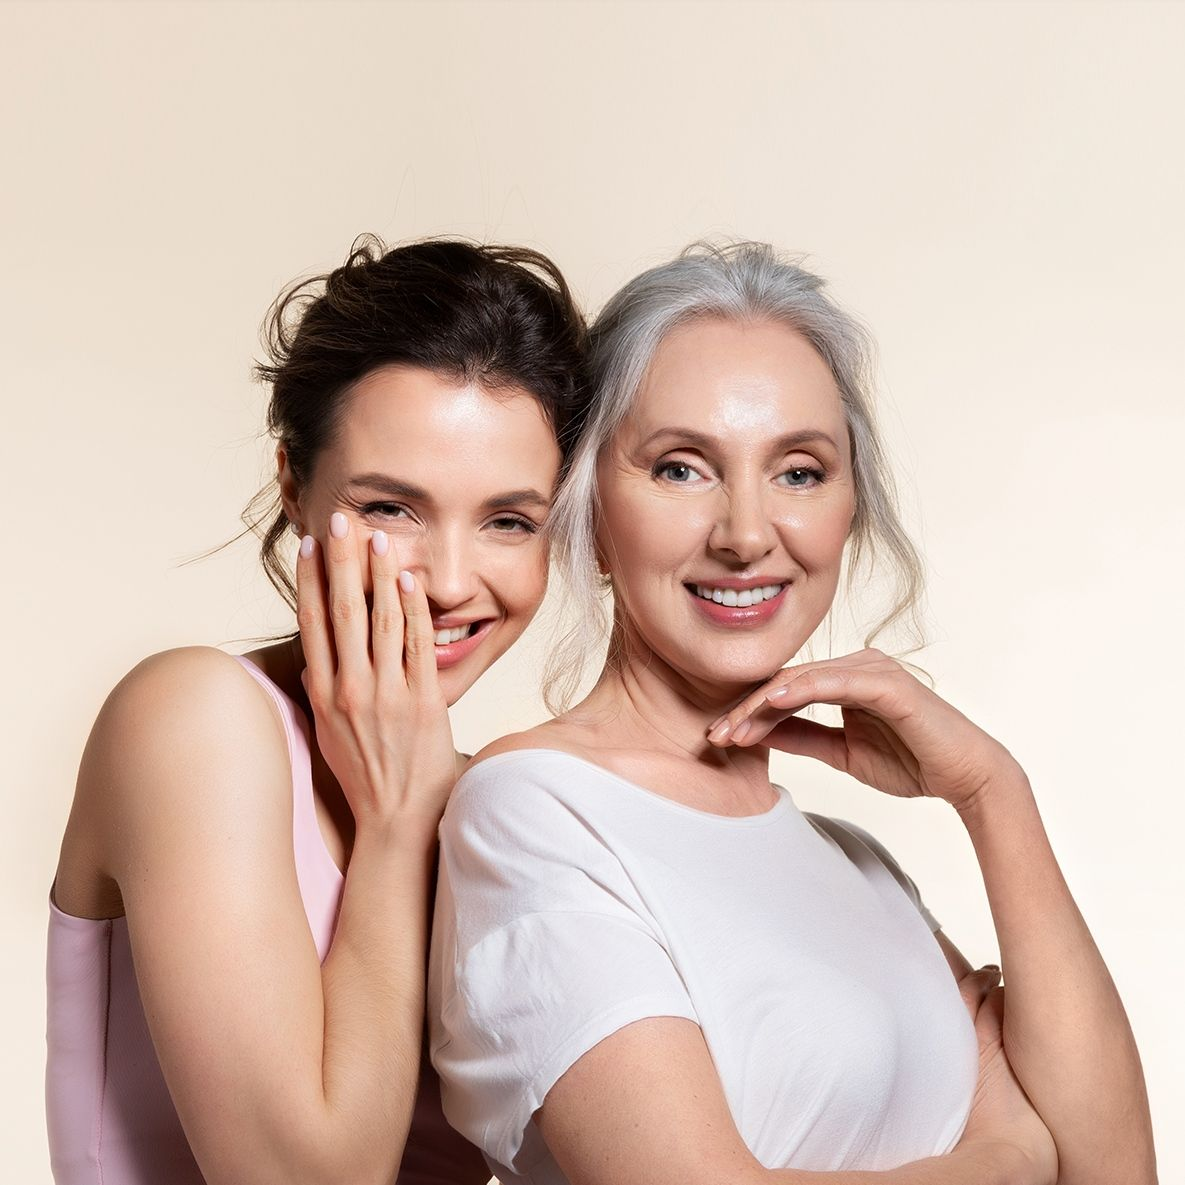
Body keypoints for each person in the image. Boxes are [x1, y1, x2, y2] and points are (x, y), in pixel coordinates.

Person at [427, 242, 1157, 1185]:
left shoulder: (855, 866)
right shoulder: (530, 809)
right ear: (590, 508)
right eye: (681, 467)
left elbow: (1116, 1169)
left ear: (849, 509)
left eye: (800, 472)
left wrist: (990, 792)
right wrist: (1012, 1157)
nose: (743, 534)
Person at [47, 235, 588, 1185]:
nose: (452, 580)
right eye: (392, 508)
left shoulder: (485, 796)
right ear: (295, 483)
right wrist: (393, 825)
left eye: (509, 520)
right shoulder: (195, 721)